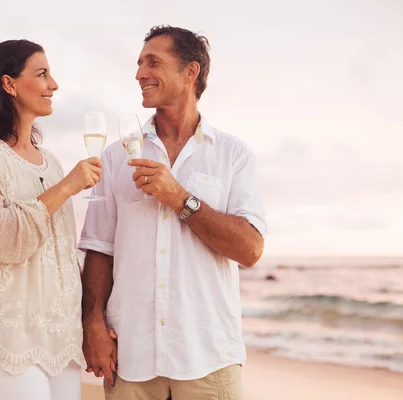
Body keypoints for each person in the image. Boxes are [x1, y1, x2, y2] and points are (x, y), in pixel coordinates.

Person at [80, 25, 266, 399]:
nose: (139, 74)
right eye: (138, 64)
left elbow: (250, 249)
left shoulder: (233, 155)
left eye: (153, 62)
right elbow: (100, 248)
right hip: (130, 356)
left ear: (190, 72)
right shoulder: (116, 156)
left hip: (208, 356)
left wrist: (181, 198)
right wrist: (93, 322)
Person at [0, 39, 102, 400]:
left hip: (61, 336)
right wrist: (66, 188)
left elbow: (62, 258)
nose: (54, 85)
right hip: (9, 334)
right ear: (8, 83)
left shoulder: (53, 162)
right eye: (42, 74)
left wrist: (88, 324)